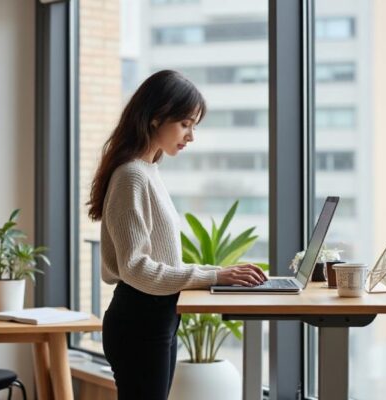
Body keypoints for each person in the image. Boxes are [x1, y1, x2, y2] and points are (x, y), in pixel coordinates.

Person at [87, 70, 267, 400]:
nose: (191, 136)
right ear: (156, 116)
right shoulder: (132, 176)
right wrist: (215, 275)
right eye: (186, 124)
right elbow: (135, 268)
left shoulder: (147, 171)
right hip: (140, 319)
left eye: (193, 126)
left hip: (156, 317)